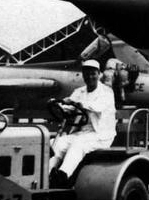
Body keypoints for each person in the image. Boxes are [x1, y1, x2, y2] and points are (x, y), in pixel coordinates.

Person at [49, 59, 117, 187]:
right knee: (57, 143)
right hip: (82, 133)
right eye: (86, 73)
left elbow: (97, 107)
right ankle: (48, 175)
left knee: (78, 144)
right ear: (83, 75)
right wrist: (60, 105)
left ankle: (63, 176)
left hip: (102, 135)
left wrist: (76, 103)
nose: (90, 77)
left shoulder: (107, 92)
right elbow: (70, 108)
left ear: (99, 74)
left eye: (93, 73)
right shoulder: (79, 91)